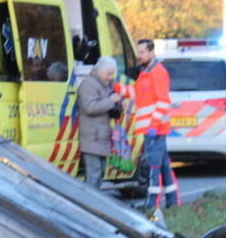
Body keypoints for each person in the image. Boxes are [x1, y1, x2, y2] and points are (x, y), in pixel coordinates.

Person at [133, 39, 180, 209]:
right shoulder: (145, 72)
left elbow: (163, 101)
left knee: (153, 167)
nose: (139, 56)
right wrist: (117, 88)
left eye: (143, 52)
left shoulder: (157, 72)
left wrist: (153, 124)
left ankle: (152, 203)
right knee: (164, 166)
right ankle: (173, 201)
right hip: (152, 129)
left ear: (152, 52)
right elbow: (136, 93)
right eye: (138, 52)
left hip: (155, 130)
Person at [76, 56, 122, 189]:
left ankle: (91, 204)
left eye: (112, 74)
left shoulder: (102, 84)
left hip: (100, 136)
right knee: (94, 175)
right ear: (99, 70)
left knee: (99, 172)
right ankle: (88, 205)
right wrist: (111, 101)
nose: (110, 77)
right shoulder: (89, 84)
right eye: (108, 74)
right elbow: (90, 108)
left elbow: (103, 105)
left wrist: (118, 105)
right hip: (92, 136)